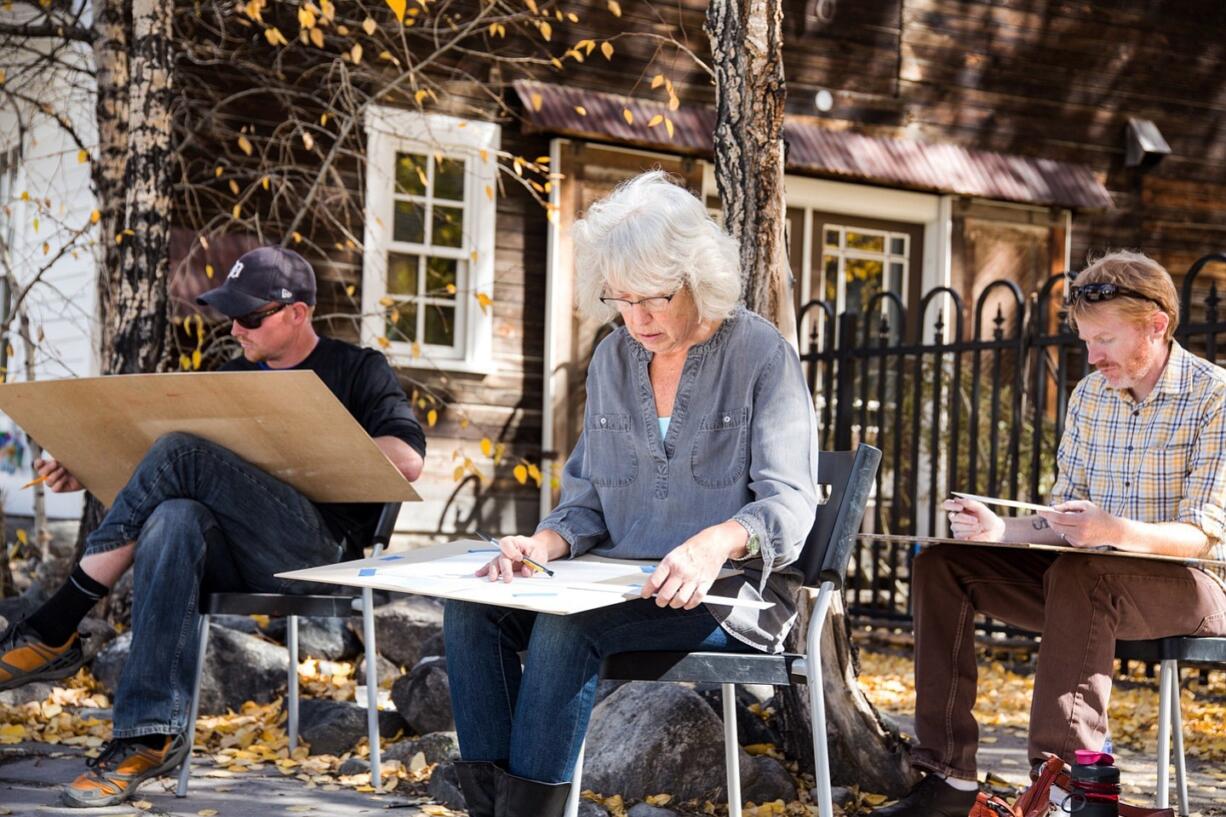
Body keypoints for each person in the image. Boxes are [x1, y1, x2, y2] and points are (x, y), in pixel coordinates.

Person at [441, 170, 820, 817]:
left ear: (696, 278)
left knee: (566, 634)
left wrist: (711, 544)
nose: (636, 318)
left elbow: (790, 502)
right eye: (621, 299)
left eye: (653, 298)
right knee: (472, 609)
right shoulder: (613, 359)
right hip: (614, 580)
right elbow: (587, 497)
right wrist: (540, 544)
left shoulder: (760, 352)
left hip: (727, 593)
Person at [0, 246, 426, 807]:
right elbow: (172, 472)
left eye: (250, 317)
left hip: (321, 552)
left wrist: (297, 446)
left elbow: (408, 459)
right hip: (239, 550)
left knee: (181, 452)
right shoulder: (230, 378)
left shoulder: (358, 368)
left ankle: (56, 624)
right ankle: (147, 737)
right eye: (230, 314)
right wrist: (83, 471)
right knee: (174, 516)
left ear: (297, 313)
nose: (235, 327)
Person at [877, 250, 1226, 817]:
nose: (1092, 356)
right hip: (1087, 581)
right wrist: (1000, 530)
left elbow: (1202, 537)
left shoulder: (1215, 396)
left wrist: (1111, 530)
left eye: (1105, 340)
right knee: (944, 564)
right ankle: (948, 778)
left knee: (1082, 572)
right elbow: (1064, 524)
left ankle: (1066, 786)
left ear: (1157, 325)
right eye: (1087, 340)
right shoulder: (1089, 397)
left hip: (1195, 588)